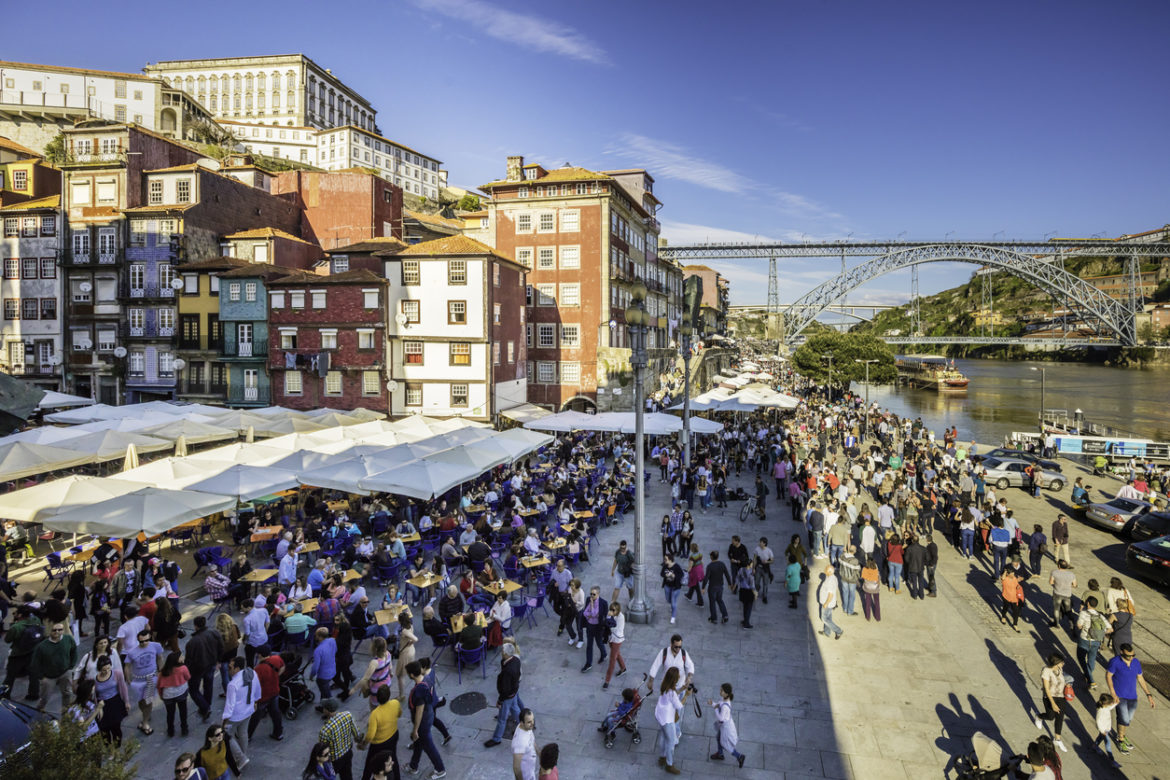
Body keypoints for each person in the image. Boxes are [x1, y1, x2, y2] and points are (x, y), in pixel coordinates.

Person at [1106, 643, 1156, 754]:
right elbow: (1108, 676)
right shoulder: (1115, 662)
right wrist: (1113, 692)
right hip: (1120, 696)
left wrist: (1148, 695)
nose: (1131, 657)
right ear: (1122, 653)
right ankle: (1120, 739)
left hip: (1132, 696)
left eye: (1133, 655)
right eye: (1129, 656)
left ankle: (1122, 735)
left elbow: (1140, 678)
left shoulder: (1136, 662)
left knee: (1128, 719)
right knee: (1123, 718)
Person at [403, 661, 446, 779]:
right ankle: (413, 766)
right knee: (418, 743)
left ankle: (440, 769)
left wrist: (415, 729)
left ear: (412, 675)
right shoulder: (427, 678)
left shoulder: (419, 690)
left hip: (423, 721)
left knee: (428, 746)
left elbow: (419, 711)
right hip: (430, 714)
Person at [222, 656, 261, 770]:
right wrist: (256, 700)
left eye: (230, 667)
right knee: (243, 733)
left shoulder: (232, 684)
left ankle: (241, 757)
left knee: (227, 736)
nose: (229, 670)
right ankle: (242, 756)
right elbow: (258, 689)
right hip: (248, 710)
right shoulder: (252, 673)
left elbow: (229, 705)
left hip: (236, 715)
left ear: (237, 668)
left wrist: (224, 720)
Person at [484, 642, 524, 748]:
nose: (501, 652)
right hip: (514, 691)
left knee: (502, 719)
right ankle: (524, 725)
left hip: (508, 696)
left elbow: (505, 689)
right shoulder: (515, 660)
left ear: (506, 654)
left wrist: (500, 701)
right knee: (515, 709)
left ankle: (496, 739)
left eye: (502, 651)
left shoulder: (507, 670)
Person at [185, 616, 224, 722]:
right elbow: (221, 647)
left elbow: (188, 660)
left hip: (197, 669)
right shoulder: (214, 633)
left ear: (195, 626)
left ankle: (205, 707)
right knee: (208, 685)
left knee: (193, 690)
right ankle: (206, 705)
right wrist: (219, 661)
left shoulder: (192, 642)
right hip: (211, 664)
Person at [654, 667, 690, 775]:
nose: (679, 677)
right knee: (671, 741)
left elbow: (672, 695)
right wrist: (687, 695)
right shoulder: (672, 692)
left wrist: (682, 689)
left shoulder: (664, 686)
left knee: (664, 737)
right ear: (675, 679)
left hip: (660, 717)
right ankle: (669, 765)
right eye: (678, 676)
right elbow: (679, 705)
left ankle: (662, 758)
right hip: (667, 720)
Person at [360, 686, 401, 780]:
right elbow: (399, 714)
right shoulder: (395, 703)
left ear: (377, 698)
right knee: (393, 758)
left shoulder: (375, 714)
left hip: (379, 743)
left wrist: (364, 744)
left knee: (370, 763)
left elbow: (370, 735)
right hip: (393, 735)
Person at [318, 697, 362, 780]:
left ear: (327, 710)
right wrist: (360, 742)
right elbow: (357, 733)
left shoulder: (325, 731)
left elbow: (322, 751)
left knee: (329, 777)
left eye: (324, 708)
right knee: (347, 776)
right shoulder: (348, 715)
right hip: (348, 753)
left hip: (334, 761)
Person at [1033, 653, 1068, 753]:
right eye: (1062, 662)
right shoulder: (1046, 671)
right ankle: (1039, 717)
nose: (1063, 663)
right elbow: (1047, 689)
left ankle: (1057, 739)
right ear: (1056, 663)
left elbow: (1061, 681)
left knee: (1060, 717)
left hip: (1060, 696)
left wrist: (1067, 685)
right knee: (1051, 716)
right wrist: (1053, 703)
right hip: (1049, 697)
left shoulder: (1060, 669)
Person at [93, 654, 130, 746]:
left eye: (108, 669)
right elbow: (94, 695)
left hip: (115, 702)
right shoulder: (94, 679)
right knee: (104, 730)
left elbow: (123, 687)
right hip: (102, 705)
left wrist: (126, 702)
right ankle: (108, 747)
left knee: (116, 728)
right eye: (104, 670)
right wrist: (97, 707)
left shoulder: (117, 674)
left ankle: (116, 748)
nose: (106, 671)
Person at [1075, 596, 1109, 689]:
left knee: (1081, 657)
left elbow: (1078, 625)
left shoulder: (1083, 613)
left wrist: (1084, 628)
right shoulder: (1100, 616)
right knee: (1092, 658)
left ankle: (1091, 679)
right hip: (1097, 641)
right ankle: (1088, 674)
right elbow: (1110, 629)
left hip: (1085, 639)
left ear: (1088, 604)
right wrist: (1099, 632)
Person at [709, 682, 745, 767]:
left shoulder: (725, 706)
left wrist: (715, 708)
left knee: (725, 744)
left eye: (722, 690)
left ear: (727, 693)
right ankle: (720, 754)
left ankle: (739, 756)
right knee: (718, 738)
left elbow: (720, 718)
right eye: (720, 690)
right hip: (724, 725)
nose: (720, 692)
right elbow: (718, 705)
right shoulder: (723, 699)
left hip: (725, 727)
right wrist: (713, 704)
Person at [157, 650, 192, 737]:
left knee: (170, 713)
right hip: (181, 693)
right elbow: (188, 677)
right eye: (181, 656)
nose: (183, 657)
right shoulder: (183, 668)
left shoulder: (163, 671)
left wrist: (161, 695)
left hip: (168, 695)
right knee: (183, 711)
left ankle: (170, 730)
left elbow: (159, 685)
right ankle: (184, 728)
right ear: (178, 660)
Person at [579, 586, 608, 671]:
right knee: (589, 645)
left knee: (599, 643)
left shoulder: (603, 603)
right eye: (591, 594)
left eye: (594, 594)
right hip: (589, 626)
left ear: (598, 594)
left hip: (598, 627)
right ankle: (588, 663)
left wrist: (591, 608)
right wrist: (591, 614)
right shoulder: (589, 599)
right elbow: (585, 613)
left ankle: (604, 654)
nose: (591, 596)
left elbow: (594, 613)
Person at [1093, 692, 1122, 769]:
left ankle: (1095, 746)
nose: (1111, 704)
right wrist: (1102, 731)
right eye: (1110, 703)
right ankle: (1112, 760)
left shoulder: (1105, 707)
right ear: (1105, 703)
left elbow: (1109, 708)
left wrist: (1115, 703)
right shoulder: (1100, 711)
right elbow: (1098, 721)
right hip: (1104, 730)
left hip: (1106, 728)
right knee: (1108, 743)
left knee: (1100, 738)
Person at [702, 550, 731, 625]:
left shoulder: (710, 566)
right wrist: (730, 584)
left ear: (711, 557)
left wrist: (703, 587)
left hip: (712, 587)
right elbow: (727, 574)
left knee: (712, 602)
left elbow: (706, 578)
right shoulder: (722, 564)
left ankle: (714, 618)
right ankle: (725, 615)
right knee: (720, 600)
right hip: (720, 586)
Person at [603, 601, 628, 689]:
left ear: (617, 610)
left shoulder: (621, 617)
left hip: (617, 639)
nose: (611, 611)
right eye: (611, 609)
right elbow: (606, 624)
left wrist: (609, 620)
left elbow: (615, 628)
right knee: (617, 654)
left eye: (613, 610)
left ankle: (607, 680)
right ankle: (623, 668)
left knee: (612, 659)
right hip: (611, 638)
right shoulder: (610, 614)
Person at [1048, 560, 1076, 628]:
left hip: (1057, 593)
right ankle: (1071, 624)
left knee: (1056, 609)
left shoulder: (1054, 572)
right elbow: (1075, 585)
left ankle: (1056, 623)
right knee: (1068, 610)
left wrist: (1056, 585)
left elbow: (1051, 582)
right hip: (1067, 594)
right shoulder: (1071, 574)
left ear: (1059, 566)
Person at [511, 707, 537, 780]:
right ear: (522, 723)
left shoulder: (527, 728)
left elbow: (531, 740)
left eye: (533, 720)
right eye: (529, 722)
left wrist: (539, 752)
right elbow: (516, 767)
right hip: (526, 776)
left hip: (530, 771)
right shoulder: (520, 742)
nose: (532, 724)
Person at [818, 564, 844, 639]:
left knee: (824, 619)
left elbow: (831, 594)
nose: (824, 570)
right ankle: (827, 632)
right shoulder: (831, 577)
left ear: (829, 571)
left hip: (827, 603)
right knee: (828, 618)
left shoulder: (830, 581)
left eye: (826, 569)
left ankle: (838, 631)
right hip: (830, 603)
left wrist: (826, 603)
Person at [660, 553, 684, 625]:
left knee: (673, 602)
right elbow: (661, 574)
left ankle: (673, 617)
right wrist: (666, 575)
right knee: (668, 599)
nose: (664, 560)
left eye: (666, 559)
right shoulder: (665, 566)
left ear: (670, 560)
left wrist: (674, 576)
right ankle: (672, 607)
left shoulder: (676, 567)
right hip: (667, 586)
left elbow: (681, 574)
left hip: (675, 587)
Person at [733, 559, 757, 629]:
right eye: (752, 564)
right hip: (749, 592)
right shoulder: (751, 574)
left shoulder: (741, 570)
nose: (752, 565)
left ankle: (745, 620)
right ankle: (746, 624)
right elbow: (752, 586)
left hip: (742, 590)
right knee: (749, 608)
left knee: (745, 606)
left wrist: (734, 587)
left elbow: (737, 579)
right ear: (749, 565)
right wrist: (755, 593)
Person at [610, 539, 635, 605]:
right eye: (621, 548)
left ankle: (631, 600)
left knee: (630, 588)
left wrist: (631, 566)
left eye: (624, 548)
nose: (622, 549)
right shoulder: (617, 552)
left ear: (626, 546)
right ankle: (612, 602)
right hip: (619, 573)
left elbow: (634, 561)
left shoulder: (629, 553)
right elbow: (616, 561)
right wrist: (613, 570)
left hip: (627, 574)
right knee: (617, 587)